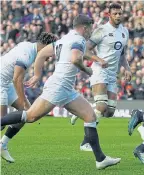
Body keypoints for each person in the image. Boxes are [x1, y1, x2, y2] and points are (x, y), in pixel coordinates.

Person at [1, 14, 120, 170]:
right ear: (84, 28)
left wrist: (37, 74)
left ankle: (100, 159)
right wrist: (87, 69)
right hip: (58, 86)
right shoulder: (78, 39)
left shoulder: (64, 39)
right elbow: (76, 59)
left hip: (66, 88)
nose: (91, 30)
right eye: (90, 27)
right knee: (29, 116)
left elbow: (42, 54)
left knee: (90, 116)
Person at [70, 3, 132, 151]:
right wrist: (99, 60)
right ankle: (85, 142)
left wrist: (127, 68)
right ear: (109, 15)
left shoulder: (125, 31)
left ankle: (83, 111)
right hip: (100, 71)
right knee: (102, 106)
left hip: (112, 74)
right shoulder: (102, 30)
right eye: (115, 13)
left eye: (120, 13)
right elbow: (85, 50)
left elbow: (122, 54)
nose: (118, 16)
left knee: (109, 111)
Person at [0, 32, 58, 163]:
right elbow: (17, 79)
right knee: (2, 122)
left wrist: (23, 102)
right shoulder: (27, 53)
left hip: (6, 83)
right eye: (51, 50)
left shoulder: (30, 47)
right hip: (1, 82)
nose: (51, 55)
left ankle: (2, 145)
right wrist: (22, 100)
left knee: (27, 114)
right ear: (45, 46)